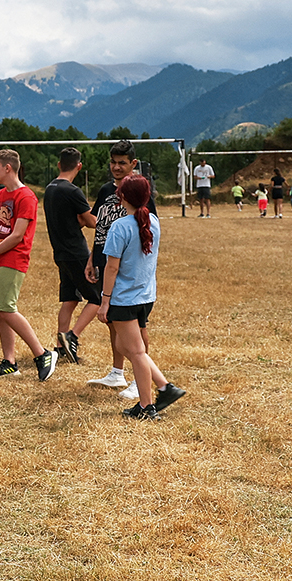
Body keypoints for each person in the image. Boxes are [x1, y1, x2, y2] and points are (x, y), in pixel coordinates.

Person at [0, 149, 57, 380]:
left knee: (6, 307)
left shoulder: (26, 197)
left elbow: (17, 236)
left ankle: (42, 354)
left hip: (13, 258)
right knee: (0, 310)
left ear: (8, 168)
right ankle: (9, 361)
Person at [102, 174, 185, 420]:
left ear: (122, 197)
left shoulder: (120, 227)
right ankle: (165, 387)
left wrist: (105, 300)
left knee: (135, 351)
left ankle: (148, 406)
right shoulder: (153, 221)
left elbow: (112, 268)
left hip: (124, 298)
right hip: (146, 297)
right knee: (124, 346)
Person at [85, 141, 156, 398]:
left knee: (137, 326)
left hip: (126, 271)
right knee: (115, 322)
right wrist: (93, 258)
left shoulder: (141, 193)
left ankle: (141, 379)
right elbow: (100, 229)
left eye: (122, 162)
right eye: (113, 162)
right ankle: (117, 373)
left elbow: (146, 232)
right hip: (107, 264)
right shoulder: (105, 191)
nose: (116, 167)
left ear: (133, 164)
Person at [43, 147, 100, 366]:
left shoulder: (50, 189)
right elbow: (90, 221)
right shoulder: (73, 191)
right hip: (77, 252)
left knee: (70, 299)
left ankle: (60, 349)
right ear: (79, 166)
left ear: (59, 165)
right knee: (97, 297)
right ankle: (72, 336)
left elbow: (70, 218)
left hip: (60, 253)